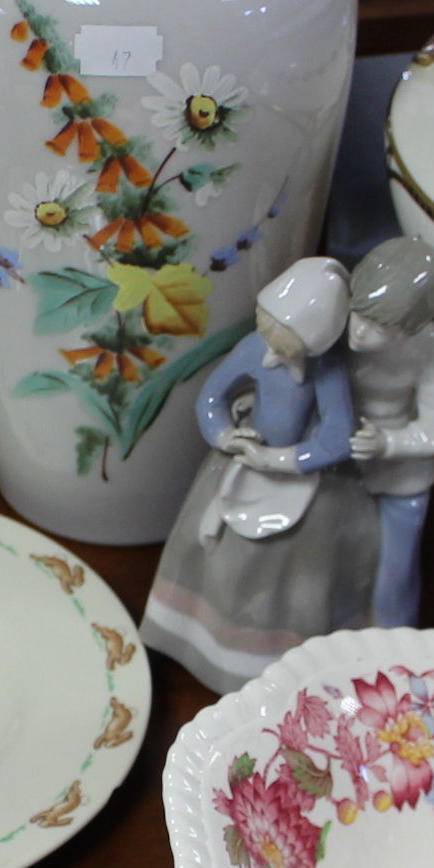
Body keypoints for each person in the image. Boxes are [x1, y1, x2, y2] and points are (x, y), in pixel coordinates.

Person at [142, 256, 377, 688]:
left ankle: (271, 666)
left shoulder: (327, 369)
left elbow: (337, 435)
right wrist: (225, 435)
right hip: (244, 457)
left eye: (281, 336)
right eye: (265, 324)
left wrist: (286, 461)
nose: (268, 340)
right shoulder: (254, 347)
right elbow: (211, 397)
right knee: (211, 553)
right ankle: (189, 637)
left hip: (302, 477)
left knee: (294, 575)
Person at [342, 237, 434, 628]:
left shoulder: (430, 348)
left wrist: (388, 442)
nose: (360, 334)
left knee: (393, 575)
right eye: (359, 315)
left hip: (399, 480)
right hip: (337, 472)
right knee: (329, 569)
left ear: (413, 326)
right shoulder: (335, 318)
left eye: (381, 329)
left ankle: (391, 646)